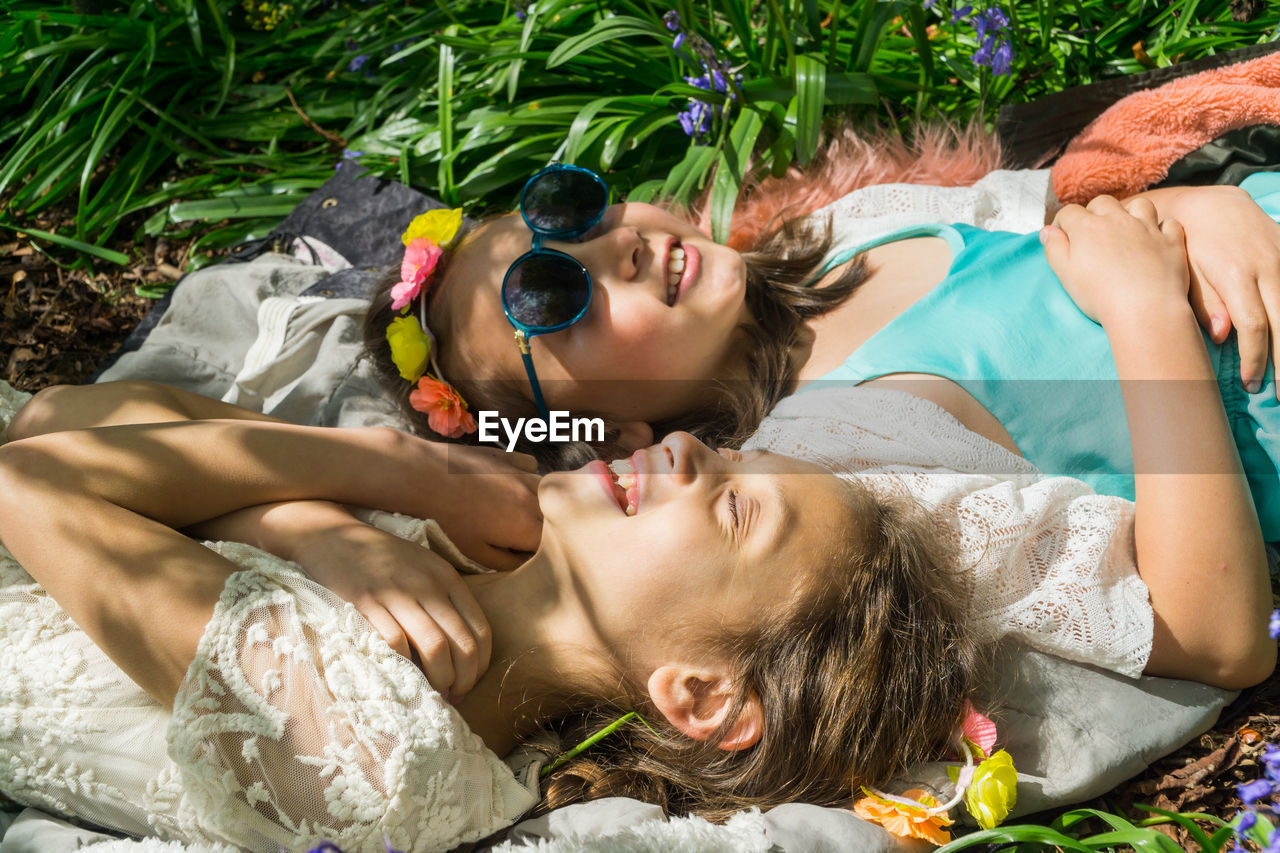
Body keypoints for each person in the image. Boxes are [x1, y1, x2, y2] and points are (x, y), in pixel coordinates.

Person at [0, 388, 981, 851]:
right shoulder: (476, 537)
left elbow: (28, 475)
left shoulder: (377, 742)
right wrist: (308, 523)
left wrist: (385, 465)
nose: (683, 445)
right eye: (724, 454)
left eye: (732, 506)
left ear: (706, 695)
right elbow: (68, 411)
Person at [360, 160, 1280, 542]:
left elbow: (1092, 220)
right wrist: (1148, 303)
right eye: (550, 298)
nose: (616, 247)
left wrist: (1202, 204)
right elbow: (1191, 605)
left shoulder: (849, 227)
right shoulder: (836, 446)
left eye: (564, 212)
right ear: (603, 433)